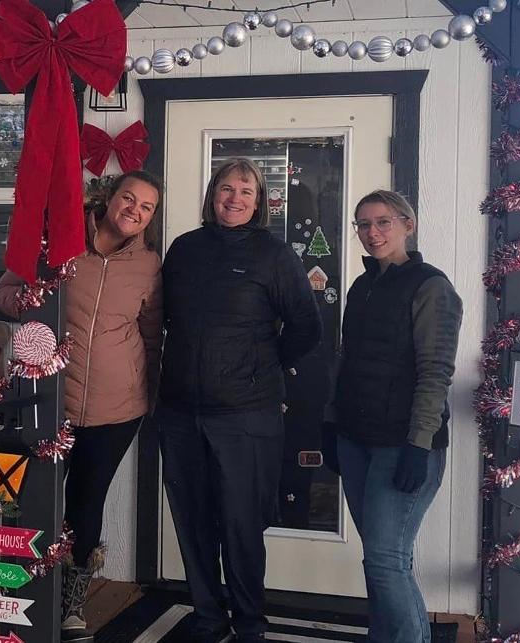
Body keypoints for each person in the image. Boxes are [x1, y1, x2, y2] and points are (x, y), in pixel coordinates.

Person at [156, 158, 322, 642]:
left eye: (246, 190)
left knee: (242, 527)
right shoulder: (184, 249)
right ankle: (210, 618)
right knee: (192, 523)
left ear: (261, 201)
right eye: (226, 188)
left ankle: (250, 625)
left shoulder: (275, 256)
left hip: (247, 416)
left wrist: (259, 367)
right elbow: (164, 317)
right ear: (212, 195)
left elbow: (306, 327)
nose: (235, 198)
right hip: (180, 413)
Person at [0, 170, 164, 642]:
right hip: (51, 403)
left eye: (146, 206)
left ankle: (70, 602)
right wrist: (31, 298)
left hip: (116, 410)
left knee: (87, 506)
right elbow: (6, 292)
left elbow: (151, 333)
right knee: (34, 499)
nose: (135, 210)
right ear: (110, 199)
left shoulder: (149, 265)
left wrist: (149, 393)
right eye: (129, 198)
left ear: (151, 217)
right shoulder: (60, 241)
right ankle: (23, 590)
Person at [324, 190, 462, 643]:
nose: (372, 233)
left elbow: (435, 372)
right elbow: (346, 360)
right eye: (362, 224)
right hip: (355, 438)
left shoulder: (431, 287)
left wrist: (418, 446)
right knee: (380, 560)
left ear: (408, 224)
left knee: (386, 561)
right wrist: (331, 423)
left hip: (402, 445)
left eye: (382, 222)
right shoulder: (362, 287)